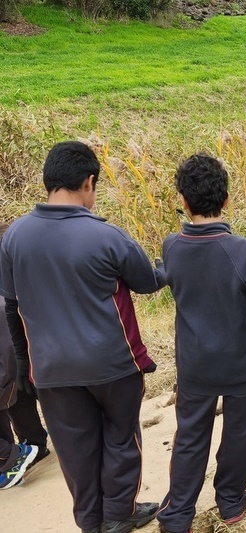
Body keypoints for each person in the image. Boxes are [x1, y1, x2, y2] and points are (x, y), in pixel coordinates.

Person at [0, 141, 165, 533]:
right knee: (122, 438)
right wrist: (166, 265)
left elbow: (11, 305)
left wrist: (25, 364)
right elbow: (146, 283)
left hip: (51, 370)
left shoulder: (14, 238)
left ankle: (91, 523)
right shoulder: (107, 236)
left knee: (75, 450)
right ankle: (119, 513)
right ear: (88, 182)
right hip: (113, 363)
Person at [156, 153, 246, 533]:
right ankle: (231, 501)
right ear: (227, 200)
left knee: (190, 438)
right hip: (242, 365)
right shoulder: (244, 251)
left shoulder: (173, 246)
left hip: (195, 366)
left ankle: (177, 515)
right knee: (240, 433)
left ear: (183, 201)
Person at [0, 222, 49, 490]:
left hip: (15, 332)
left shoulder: (11, 243)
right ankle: (43, 442)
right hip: (35, 328)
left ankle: (35, 444)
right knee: (29, 385)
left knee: (17, 389)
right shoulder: (20, 242)